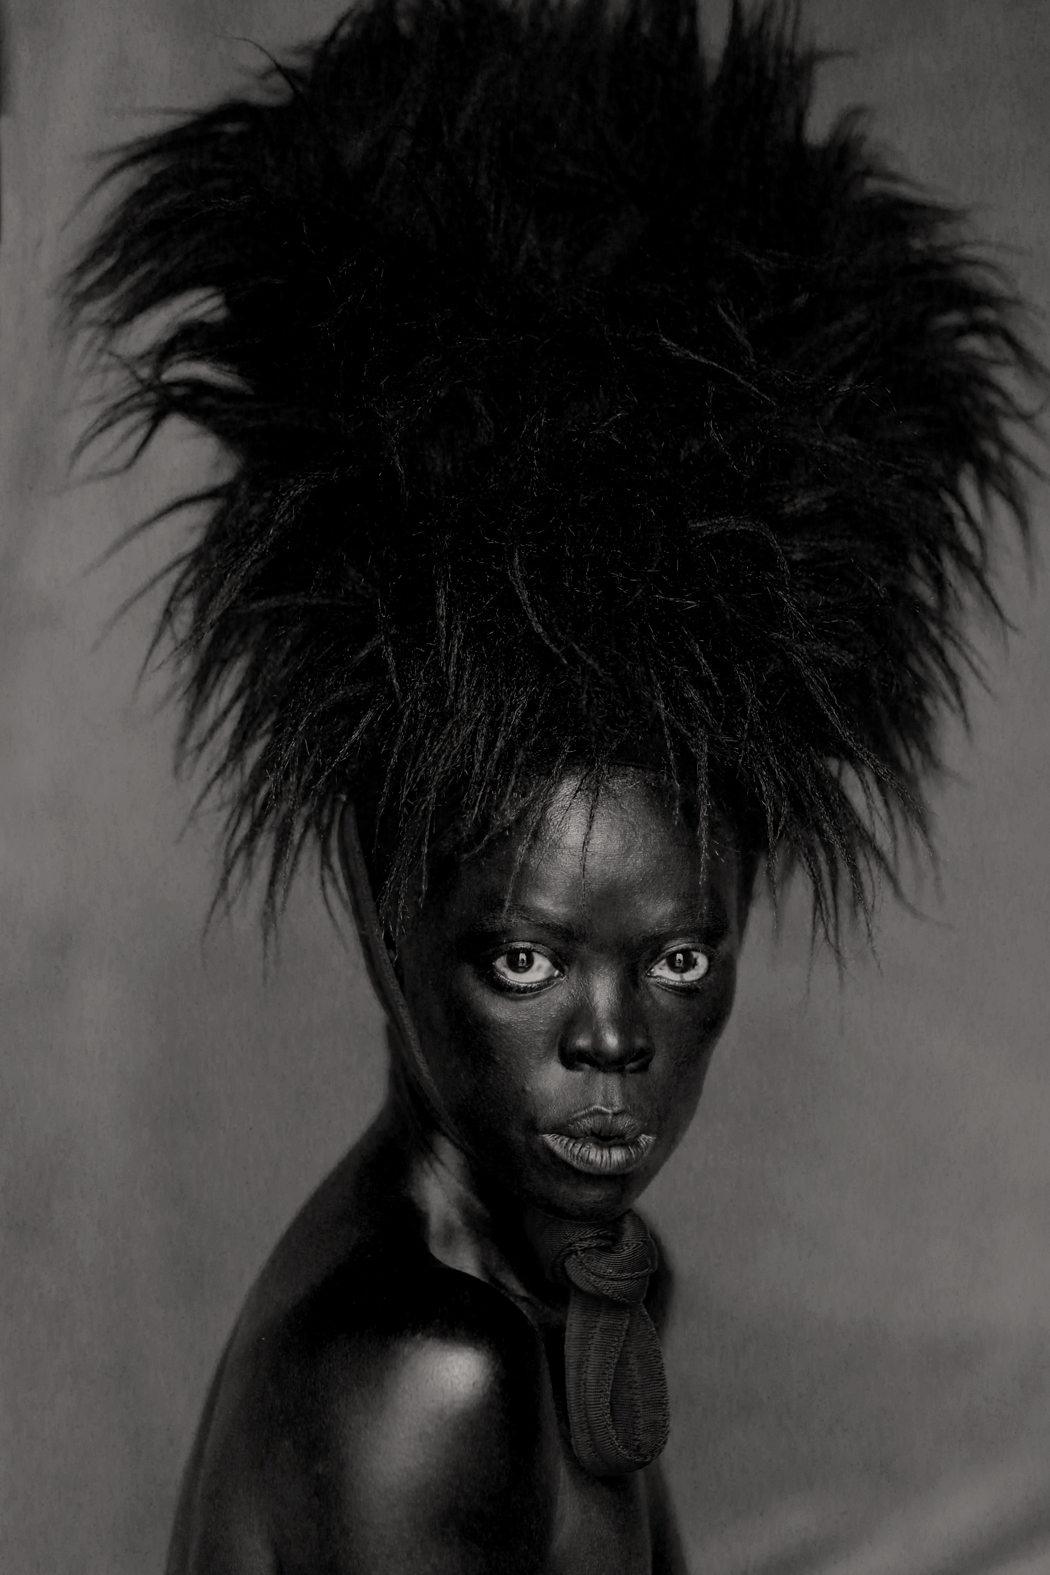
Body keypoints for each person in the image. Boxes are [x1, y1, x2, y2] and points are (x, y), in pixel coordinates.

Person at [68, 0, 1042, 1568]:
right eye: (523, 959)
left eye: (679, 958)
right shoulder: (423, 1368)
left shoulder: (554, 1287)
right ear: (386, 907)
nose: (612, 1041)